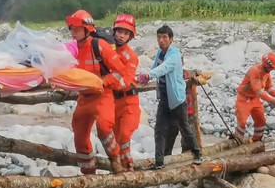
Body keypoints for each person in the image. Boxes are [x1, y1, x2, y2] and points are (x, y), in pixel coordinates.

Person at [66, 9, 128, 175]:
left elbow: (119, 70)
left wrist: (103, 82)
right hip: (84, 97)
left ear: (88, 29)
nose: (73, 31)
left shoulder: (99, 46)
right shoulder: (71, 50)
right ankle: (88, 171)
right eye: (71, 28)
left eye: (77, 28)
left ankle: (115, 161)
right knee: (79, 133)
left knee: (104, 128)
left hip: (102, 95)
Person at [137, 25, 202, 168]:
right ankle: (159, 162)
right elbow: (155, 67)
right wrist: (143, 78)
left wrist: (149, 75)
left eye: (164, 37)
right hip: (165, 99)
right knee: (159, 129)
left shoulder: (174, 55)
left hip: (177, 99)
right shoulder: (160, 53)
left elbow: (164, 68)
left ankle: (197, 154)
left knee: (184, 127)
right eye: (159, 37)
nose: (161, 40)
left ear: (171, 39)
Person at [110, 13, 141, 171]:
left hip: (129, 102)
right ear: (114, 31)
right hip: (113, 103)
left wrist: (106, 82)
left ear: (130, 36)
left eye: (125, 33)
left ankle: (128, 167)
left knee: (124, 135)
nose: (121, 35)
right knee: (114, 138)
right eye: (119, 31)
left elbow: (125, 81)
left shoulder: (131, 57)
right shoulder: (108, 51)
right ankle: (120, 167)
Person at [233, 53, 275, 143]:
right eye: (272, 68)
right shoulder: (254, 70)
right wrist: (271, 100)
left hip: (254, 99)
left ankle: (256, 141)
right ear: (266, 65)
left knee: (261, 120)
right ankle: (237, 141)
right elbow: (258, 90)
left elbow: (269, 86)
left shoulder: (266, 73)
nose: (272, 70)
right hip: (244, 99)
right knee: (242, 121)